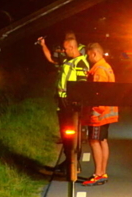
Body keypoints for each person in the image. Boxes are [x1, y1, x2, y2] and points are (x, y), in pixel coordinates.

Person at [38, 34, 89, 173]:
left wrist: (74, 101)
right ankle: (68, 161)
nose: (64, 51)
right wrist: (43, 45)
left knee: (72, 135)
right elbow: (51, 59)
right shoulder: (67, 60)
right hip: (62, 102)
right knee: (65, 134)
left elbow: (81, 86)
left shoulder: (80, 63)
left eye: (66, 49)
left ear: (72, 47)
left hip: (71, 105)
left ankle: (73, 163)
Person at [82, 42, 118, 186]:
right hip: (107, 112)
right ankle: (102, 172)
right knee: (102, 141)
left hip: (99, 113)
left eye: (89, 55)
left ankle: (98, 174)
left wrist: (95, 112)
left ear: (94, 53)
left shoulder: (99, 71)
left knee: (94, 141)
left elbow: (98, 93)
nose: (88, 58)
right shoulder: (106, 67)